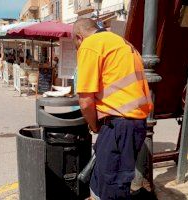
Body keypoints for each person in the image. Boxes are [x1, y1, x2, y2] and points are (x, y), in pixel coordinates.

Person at [72, 18, 153, 200]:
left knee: (112, 185)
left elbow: (85, 101)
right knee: (109, 179)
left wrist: (94, 126)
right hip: (133, 122)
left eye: (76, 45)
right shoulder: (121, 42)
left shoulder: (91, 44)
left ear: (79, 37)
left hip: (119, 124)